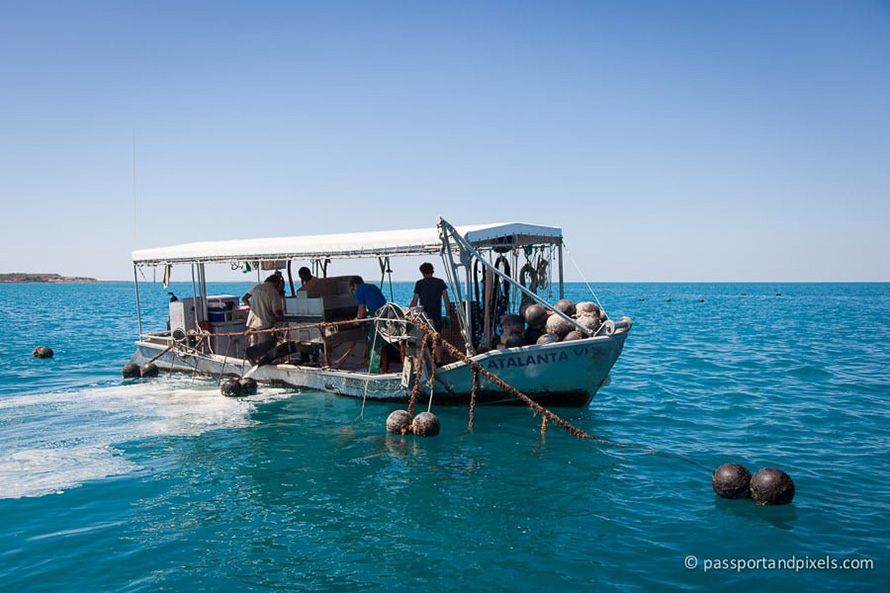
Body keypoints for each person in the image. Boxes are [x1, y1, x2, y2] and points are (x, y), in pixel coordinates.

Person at [410, 262, 451, 363]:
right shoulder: (440, 282)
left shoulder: (419, 283)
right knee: (437, 338)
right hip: (436, 315)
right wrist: (448, 314)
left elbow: (414, 301)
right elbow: (446, 299)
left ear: (422, 272)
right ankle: (439, 360)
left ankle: (424, 361)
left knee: (423, 338)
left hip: (423, 316)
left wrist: (410, 312)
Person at [350, 276, 389, 372]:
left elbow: (361, 312)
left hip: (376, 317)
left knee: (375, 342)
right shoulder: (372, 286)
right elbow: (378, 303)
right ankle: (384, 367)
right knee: (382, 342)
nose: (354, 291)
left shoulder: (359, 290)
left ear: (354, 285)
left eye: (353, 289)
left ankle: (374, 370)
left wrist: (356, 320)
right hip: (385, 314)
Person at [242, 275, 285, 347]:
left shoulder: (256, 287)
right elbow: (277, 312)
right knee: (264, 349)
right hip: (265, 325)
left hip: (252, 324)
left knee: (253, 348)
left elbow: (244, 299)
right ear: (277, 283)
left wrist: (252, 307)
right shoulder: (274, 292)